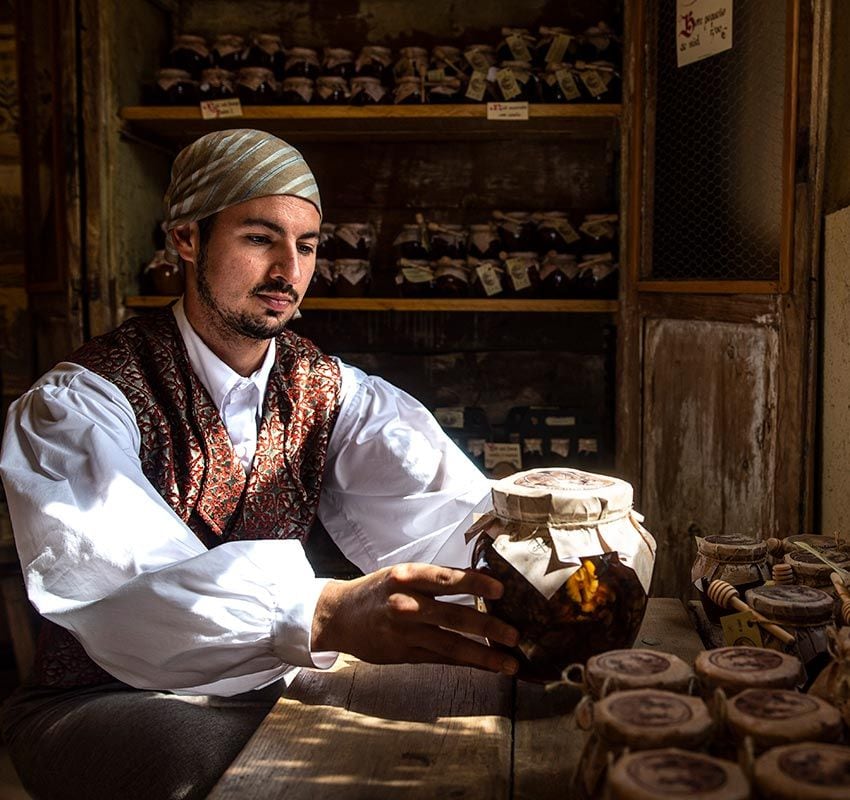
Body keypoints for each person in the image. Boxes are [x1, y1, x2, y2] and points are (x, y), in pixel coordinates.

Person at [0, 128, 520, 800]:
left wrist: (536, 557)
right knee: (269, 775)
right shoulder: (83, 403)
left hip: (271, 681)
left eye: (305, 246)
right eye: (258, 238)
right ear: (187, 238)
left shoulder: (329, 390)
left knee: (455, 731)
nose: (288, 271)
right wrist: (324, 611)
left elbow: (447, 513)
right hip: (107, 697)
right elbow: (121, 589)